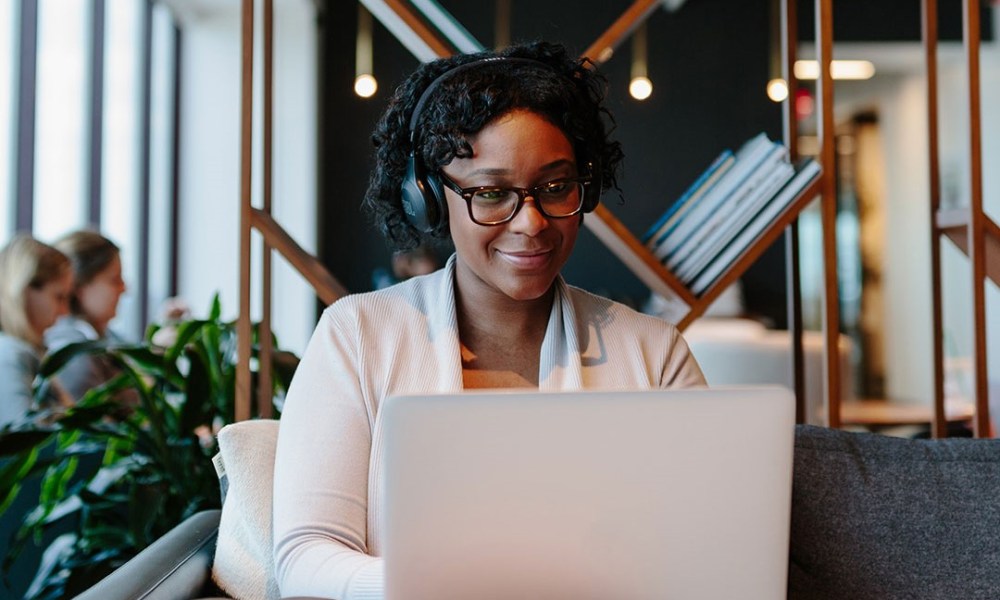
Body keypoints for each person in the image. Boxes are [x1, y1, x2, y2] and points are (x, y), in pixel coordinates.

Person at [272, 41, 706, 598]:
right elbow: (305, 559)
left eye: (555, 187)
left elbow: (705, 548)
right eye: (492, 193)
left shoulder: (654, 354)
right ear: (427, 198)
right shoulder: (358, 336)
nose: (531, 223)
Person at [44, 231, 129, 401]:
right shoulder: (72, 350)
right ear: (80, 286)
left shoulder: (108, 337)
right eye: (115, 280)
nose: (124, 288)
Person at [0, 234, 73, 428]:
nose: (64, 311)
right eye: (59, 297)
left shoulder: (29, 351)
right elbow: (21, 439)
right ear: (24, 290)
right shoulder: (11, 354)